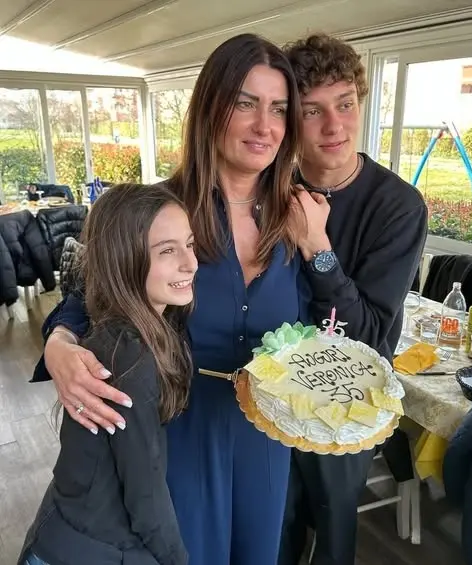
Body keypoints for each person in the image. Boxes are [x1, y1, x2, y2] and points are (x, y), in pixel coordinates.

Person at [31, 34, 310, 565]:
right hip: (178, 437)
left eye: (278, 109)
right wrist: (59, 344)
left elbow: (325, 326)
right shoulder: (162, 210)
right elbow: (91, 294)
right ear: (211, 108)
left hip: (266, 442)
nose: (264, 125)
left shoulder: (298, 218)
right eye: (245, 103)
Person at [278, 34, 428, 565]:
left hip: (347, 403)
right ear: (291, 120)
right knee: (274, 528)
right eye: (312, 111)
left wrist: (318, 248)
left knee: (332, 533)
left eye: (344, 104)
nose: (333, 126)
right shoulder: (270, 188)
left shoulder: (398, 207)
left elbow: (366, 335)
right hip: (271, 396)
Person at [19, 183, 196, 565]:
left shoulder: (139, 332)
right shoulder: (130, 359)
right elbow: (145, 497)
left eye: (190, 244)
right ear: (123, 259)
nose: (191, 263)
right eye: (168, 251)